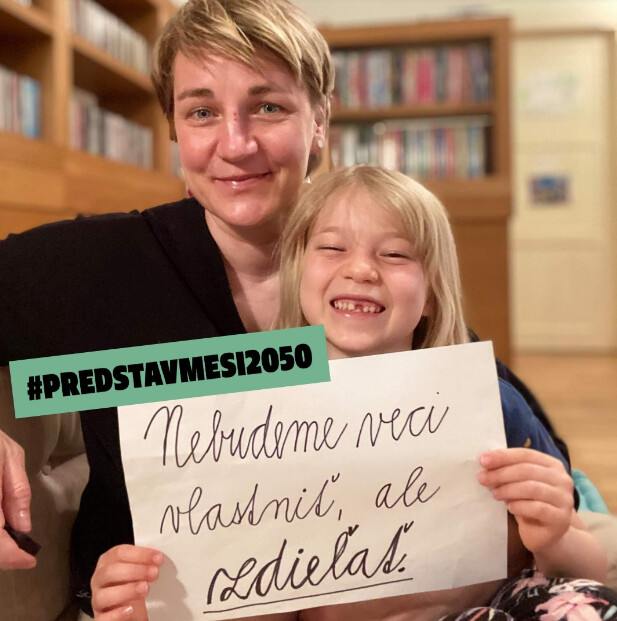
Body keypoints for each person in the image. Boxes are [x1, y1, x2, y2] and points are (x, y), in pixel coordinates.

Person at [0, 0, 576, 617]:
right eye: (201, 112)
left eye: (268, 107)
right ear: (173, 128)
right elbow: (52, 381)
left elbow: (524, 447)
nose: (236, 143)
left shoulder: (374, 283)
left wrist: (546, 508)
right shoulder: (99, 263)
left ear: (320, 121)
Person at [90, 165, 613, 621]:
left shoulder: (488, 403)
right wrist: (141, 599)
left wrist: (555, 536)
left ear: (432, 294)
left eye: (395, 253)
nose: (361, 269)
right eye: (332, 247)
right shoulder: (236, 416)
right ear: (297, 273)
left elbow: (586, 571)